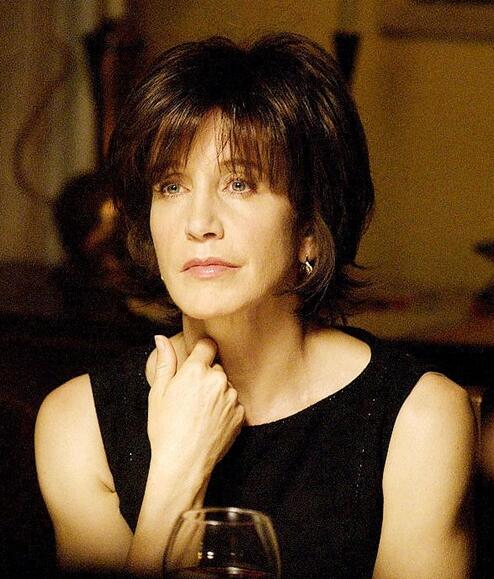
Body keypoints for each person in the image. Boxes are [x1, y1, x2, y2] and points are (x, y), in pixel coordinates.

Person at [35, 33, 476, 578]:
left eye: (239, 183)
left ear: (309, 228)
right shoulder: (76, 423)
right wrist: (177, 470)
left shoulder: (420, 418)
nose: (199, 223)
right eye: (171, 187)